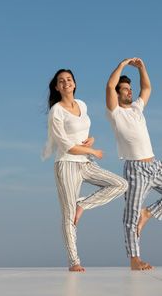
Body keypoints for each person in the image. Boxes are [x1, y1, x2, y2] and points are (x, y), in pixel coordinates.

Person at [106, 58, 162, 271]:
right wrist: (123, 65)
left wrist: (142, 67)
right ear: (117, 94)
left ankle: (148, 213)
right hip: (135, 170)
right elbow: (109, 85)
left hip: (154, 166)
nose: (129, 92)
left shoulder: (136, 109)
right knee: (130, 215)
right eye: (124, 89)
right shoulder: (115, 113)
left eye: (129, 89)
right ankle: (134, 259)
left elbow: (147, 87)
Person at [43, 68, 128, 272]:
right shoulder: (56, 111)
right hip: (67, 164)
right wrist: (95, 151)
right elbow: (66, 146)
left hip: (85, 162)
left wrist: (91, 141)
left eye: (69, 79)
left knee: (121, 184)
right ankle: (74, 261)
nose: (66, 83)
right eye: (61, 81)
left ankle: (83, 204)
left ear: (74, 83)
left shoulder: (82, 104)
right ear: (56, 87)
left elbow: (82, 132)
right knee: (68, 215)